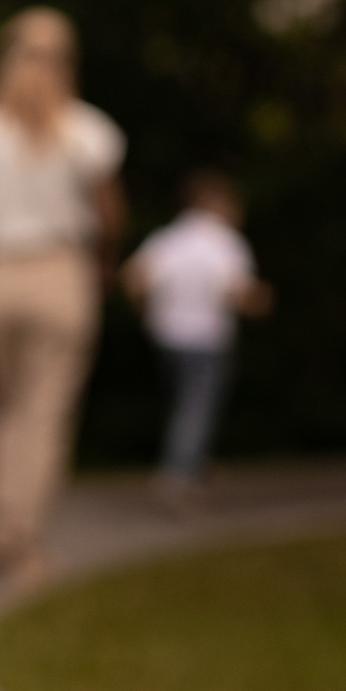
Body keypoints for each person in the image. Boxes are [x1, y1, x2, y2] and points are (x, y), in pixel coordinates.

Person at [0, 8, 124, 584]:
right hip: (60, 270)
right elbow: (109, 217)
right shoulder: (88, 131)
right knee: (45, 412)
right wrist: (105, 260)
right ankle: (20, 537)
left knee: (7, 410)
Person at [123, 169, 273, 505]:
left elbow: (134, 278)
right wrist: (260, 300)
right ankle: (176, 476)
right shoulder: (224, 242)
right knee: (197, 407)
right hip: (207, 338)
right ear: (216, 203)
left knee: (184, 405)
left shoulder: (168, 239)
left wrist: (147, 312)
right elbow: (237, 292)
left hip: (166, 337)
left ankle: (193, 464)